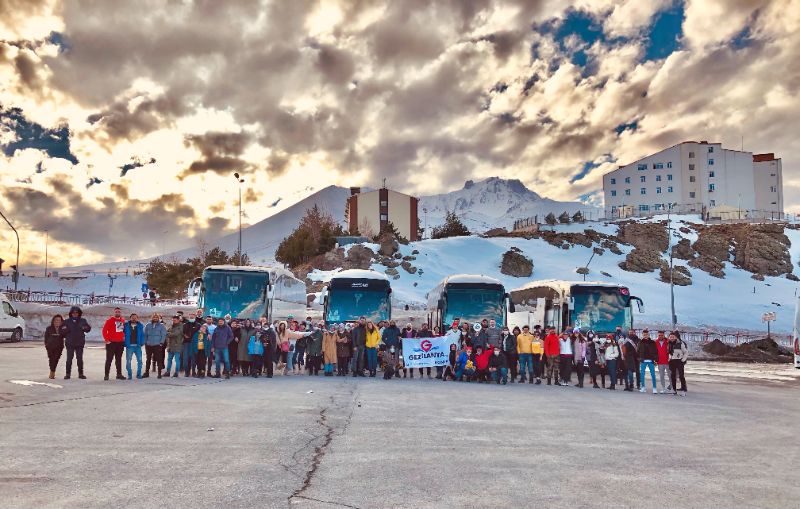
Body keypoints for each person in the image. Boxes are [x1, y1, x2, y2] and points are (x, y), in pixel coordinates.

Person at [102, 307, 126, 381]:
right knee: (109, 359)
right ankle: (106, 375)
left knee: (118, 359)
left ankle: (119, 374)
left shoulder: (122, 320)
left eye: (119, 312)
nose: (117, 313)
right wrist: (106, 340)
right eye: (116, 312)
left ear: (120, 313)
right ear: (114, 312)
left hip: (120, 343)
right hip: (111, 343)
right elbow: (104, 330)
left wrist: (123, 337)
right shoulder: (109, 320)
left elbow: (122, 331)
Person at [144, 313, 167, 378]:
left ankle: (159, 374)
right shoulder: (148, 325)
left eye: (156, 317)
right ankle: (146, 373)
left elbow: (163, 335)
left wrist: (161, 343)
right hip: (149, 345)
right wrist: (146, 342)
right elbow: (145, 334)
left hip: (157, 344)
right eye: (154, 317)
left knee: (159, 359)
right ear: (152, 318)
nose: (155, 318)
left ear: (158, 318)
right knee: (148, 359)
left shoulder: (162, 326)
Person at [123, 313, 144, 380]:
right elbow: (122, 334)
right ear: (130, 318)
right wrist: (124, 343)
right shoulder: (125, 325)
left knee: (140, 361)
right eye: (132, 317)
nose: (134, 318)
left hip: (138, 346)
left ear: (137, 318)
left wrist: (142, 342)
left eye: (135, 317)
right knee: (128, 361)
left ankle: (139, 374)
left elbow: (143, 335)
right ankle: (129, 375)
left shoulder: (140, 325)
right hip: (129, 346)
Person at [182, 310, 203, 377]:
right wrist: (184, 335)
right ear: (189, 316)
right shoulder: (185, 325)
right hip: (186, 343)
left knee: (193, 358)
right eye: (190, 315)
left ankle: (193, 371)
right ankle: (186, 372)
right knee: (185, 358)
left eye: (193, 315)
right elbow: (182, 333)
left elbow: (201, 334)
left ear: (195, 316)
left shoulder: (198, 325)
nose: (191, 316)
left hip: (194, 344)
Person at [44, 314, 66, 379]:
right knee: (51, 359)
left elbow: (66, 335)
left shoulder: (63, 328)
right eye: (56, 320)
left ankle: (52, 370)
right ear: (53, 321)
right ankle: (52, 372)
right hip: (50, 346)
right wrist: (46, 345)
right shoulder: (49, 328)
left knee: (56, 359)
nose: (57, 321)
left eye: (59, 320)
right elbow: (46, 337)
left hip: (59, 347)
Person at [637, 329, 658, 394]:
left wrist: (655, 360)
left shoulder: (652, 342)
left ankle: (654, 388)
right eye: (644, 335)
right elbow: (638, 351)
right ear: (642, 335)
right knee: (642, 374)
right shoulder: (640, 342)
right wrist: (639, 359)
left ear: (648, 335)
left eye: (646, 334)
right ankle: (643, 387)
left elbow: (655, 351)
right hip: (643, 360)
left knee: (653, 374)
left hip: (651, 360)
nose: (645, 336)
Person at [668, 331, 688, 396]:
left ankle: (684, 390)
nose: (672, 338)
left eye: (673, 337)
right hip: (672, 361)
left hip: (679, 361)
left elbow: (686, 352)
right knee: (673, 376)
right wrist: (669, 359)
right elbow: (669, 353)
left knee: (681, 376)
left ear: (675, 337)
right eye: (670, 337)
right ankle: (674, 390)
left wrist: (683, 360)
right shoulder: (669, 344)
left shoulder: (680, 343)